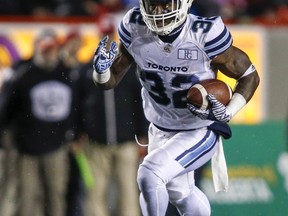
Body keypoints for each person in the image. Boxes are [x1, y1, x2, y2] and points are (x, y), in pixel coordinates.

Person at [91, 0, 260, 215]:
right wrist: (100, 72)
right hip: (159, 127)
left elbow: (249, 75)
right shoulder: (135, 26)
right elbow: (109, 82)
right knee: (181, 193)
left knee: (149, 174)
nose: (158, 12)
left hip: (198, 129)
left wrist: (229, 111)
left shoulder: (203, 33)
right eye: (153, 5)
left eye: (165, 5)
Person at [0, 28, 81, 216]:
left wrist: (75, 134)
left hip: (57, 146)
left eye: (51, 48)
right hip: (27, 148)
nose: (48, 52)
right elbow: (6, 111)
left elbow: (77, 108)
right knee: (27, 197)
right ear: (37, 47)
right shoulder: (23, 75)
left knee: (55, 195)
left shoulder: (67, 74)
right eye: (45, 48)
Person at [77, 48, 149, 216]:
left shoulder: (129, 70)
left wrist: (142, 133)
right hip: (96, 143)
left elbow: (140, 102)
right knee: (95, 192)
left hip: (126, 142)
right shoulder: (87, 70)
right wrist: (78, 131)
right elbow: (78, 104)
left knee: (128, 191)